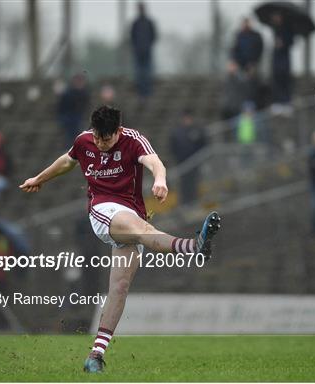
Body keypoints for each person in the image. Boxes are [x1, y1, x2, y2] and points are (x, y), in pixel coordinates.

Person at [19, 106, 221, 373]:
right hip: (102, 211)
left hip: (132, 216)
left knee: (120, 287)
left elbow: (154, 161)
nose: (102, 144)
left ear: (119, 130)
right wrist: (39, 178)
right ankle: (193, 246)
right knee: (141, 230)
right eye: (98, 138)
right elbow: (67, 161)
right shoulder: (84, 141)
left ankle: (95, 355)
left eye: (108, 138)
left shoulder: (133, 139)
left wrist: (160, 180)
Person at [169, 109, 207, 204]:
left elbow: (203, 143)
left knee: (194, 183)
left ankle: (194, 201)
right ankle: (186, 202)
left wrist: (199, 156)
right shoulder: (177, 132)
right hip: (182, 162)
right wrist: (177, 158)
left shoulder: (197, 130)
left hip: (194, 162)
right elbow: (173, 147)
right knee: (184, 184)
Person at [130, 2, 157, 99]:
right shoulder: (135, 23)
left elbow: (154, 36)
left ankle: (147, 93)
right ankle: (141, 93)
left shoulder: (149, 22)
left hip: (146, 51)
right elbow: (132, 37)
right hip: (138, 52)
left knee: (147, 73)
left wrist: (148, 46)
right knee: (139, 73)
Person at [270, 12, 294, 114]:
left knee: (284, 80)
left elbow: (291, 42)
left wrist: (283, 43)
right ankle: (278, 102)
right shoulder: (274, 29)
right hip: (276, 60)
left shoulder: (287, 29)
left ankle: (286, 102)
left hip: (284, 60)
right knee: (277, 80)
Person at [57, 74, 90, 148]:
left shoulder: (84, 93)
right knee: (70, 135)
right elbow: (62, 107)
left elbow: (85, 106)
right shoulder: (68, 93)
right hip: (68, 117)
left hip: (77, 117)